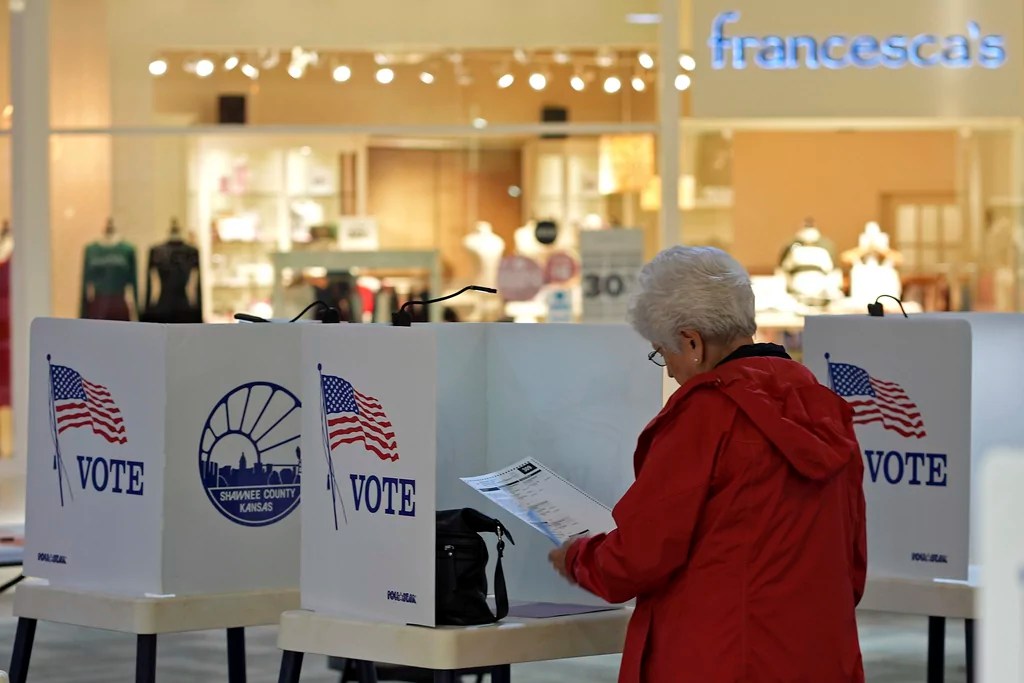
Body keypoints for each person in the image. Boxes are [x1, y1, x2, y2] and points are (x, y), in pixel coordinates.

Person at [549, 246, 866, 683]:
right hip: (819, 657)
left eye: (664, 352)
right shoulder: (828, 411)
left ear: (693, 342)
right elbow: (852, 566)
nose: (672, 370)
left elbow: (638, 556)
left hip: (717, 658)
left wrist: (579, 558)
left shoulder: (706, 416)